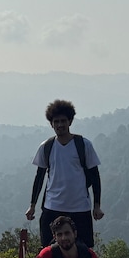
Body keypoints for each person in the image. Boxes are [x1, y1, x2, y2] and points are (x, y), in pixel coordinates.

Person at [25, 99, 103, 248]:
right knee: (49, 250)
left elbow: (95, 176)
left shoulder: (83, 145)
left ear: (70, 121)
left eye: (63, 121)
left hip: (80, 207)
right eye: (56, 122)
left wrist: (97, 205)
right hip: (52, 206)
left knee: (84, 250)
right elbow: (39, 177)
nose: (60, 125)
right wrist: (32, 205)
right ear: (51, 124)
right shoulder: (46, 147)